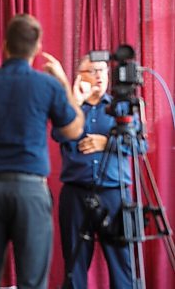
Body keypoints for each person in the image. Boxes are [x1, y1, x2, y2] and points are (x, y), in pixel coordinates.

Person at [0, 14, 84, 289]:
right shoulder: (48, 86)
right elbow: (74, 131)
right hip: (31, 192)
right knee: (32, 281)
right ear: (37, 47)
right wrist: (65, 84)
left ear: (6, 44)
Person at [52, 55, 138, 288]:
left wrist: (107, 143)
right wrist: (75, 104)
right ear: (81, 76)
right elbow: (58, 136)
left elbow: (140, 145)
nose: (100, 76)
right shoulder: (69, 107)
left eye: (103, 70)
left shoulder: (123, 106)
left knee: (122, 266)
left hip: (115, 195)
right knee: (74, 266)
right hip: (76, 194)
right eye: (93, 71)